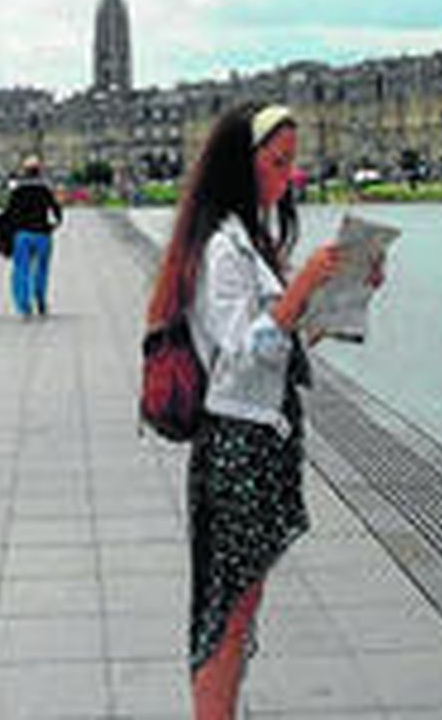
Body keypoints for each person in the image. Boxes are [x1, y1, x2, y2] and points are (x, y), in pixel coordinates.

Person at [146, 102, 381, 719]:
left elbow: (285, 346)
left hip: (263, 442)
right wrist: (301, 286)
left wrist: (344, 295)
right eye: (277, 163)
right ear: (241, 166)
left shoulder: (251, 241)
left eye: (291, 162)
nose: (288, 176)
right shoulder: (224, 247)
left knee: (240, 607)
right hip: (236, 449)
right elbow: (243, 353)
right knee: (225, 611)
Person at [2, 155, 63, 317]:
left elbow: (9, 213)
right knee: (41, 269)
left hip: (23, 234)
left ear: (24, 171)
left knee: (22, 269)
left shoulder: (17, 190)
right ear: (39, 171)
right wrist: (55, 225)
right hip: (42, 233)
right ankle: (40, 297)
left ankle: (24, 304)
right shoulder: (45, 189)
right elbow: (56, 210)